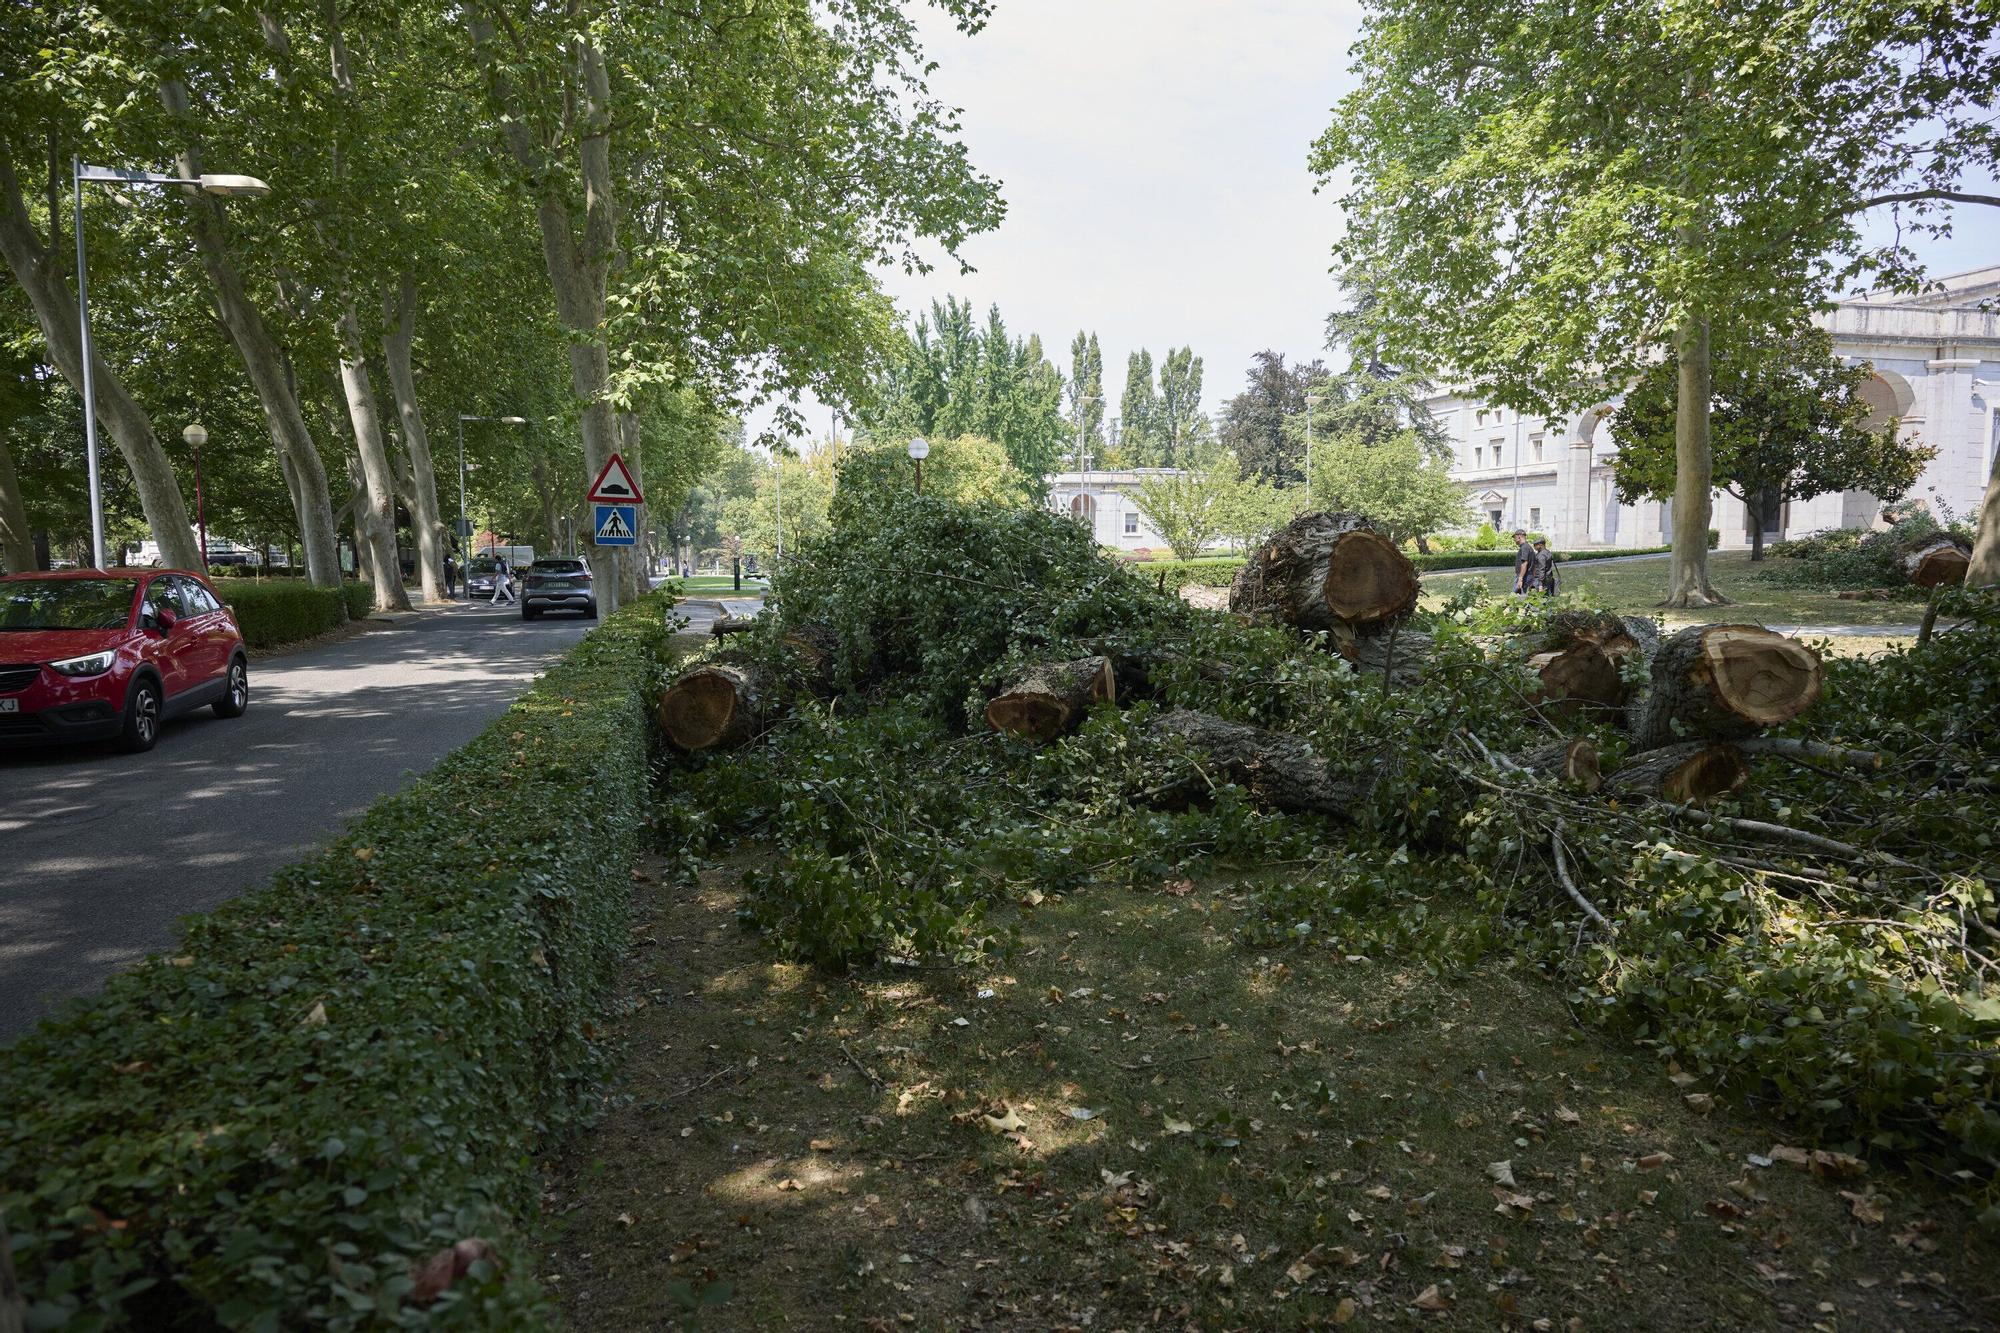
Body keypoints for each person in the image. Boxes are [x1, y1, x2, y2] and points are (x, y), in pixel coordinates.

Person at [1510, 529, 1533, 594]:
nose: (1514, 540)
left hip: (1524, 576)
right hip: (1526, 576)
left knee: (1515, 597)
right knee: (1520, 597)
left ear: (1519, 537)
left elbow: (1524, 563)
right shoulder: (1527, 547)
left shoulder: (1525, 548)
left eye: (1514, 537)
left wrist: (1520, 579)